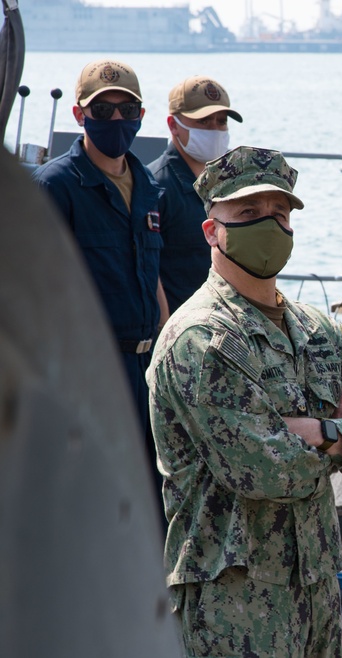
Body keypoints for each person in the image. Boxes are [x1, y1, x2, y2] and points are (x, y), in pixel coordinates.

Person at [146, 145, 342, 657]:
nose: (269, 225)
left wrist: (316, 432)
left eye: (279, 214)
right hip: (233, 602)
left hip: (317, 589)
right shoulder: (202, 339)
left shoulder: (319, 329)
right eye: (247, 214)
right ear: (211, 231)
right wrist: (340, 438)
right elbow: (263, 471)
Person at [32, 58, 166, 494]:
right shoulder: (57, 187)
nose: (116, 120)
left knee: (152, 492)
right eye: (101, 110)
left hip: (147, 368)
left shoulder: (146, 184)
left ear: (141, 117)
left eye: (127, 111)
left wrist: (167, 346)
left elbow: (152, 272)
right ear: (79, 115)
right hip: (92, 372)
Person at [149, 75, 243, 313]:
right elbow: (146, 269)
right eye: (203, 121)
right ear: (173, 125)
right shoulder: (154, 187)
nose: (215, 129)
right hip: (182, 332)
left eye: (221, 122)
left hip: (228, 326)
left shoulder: (233, 184)